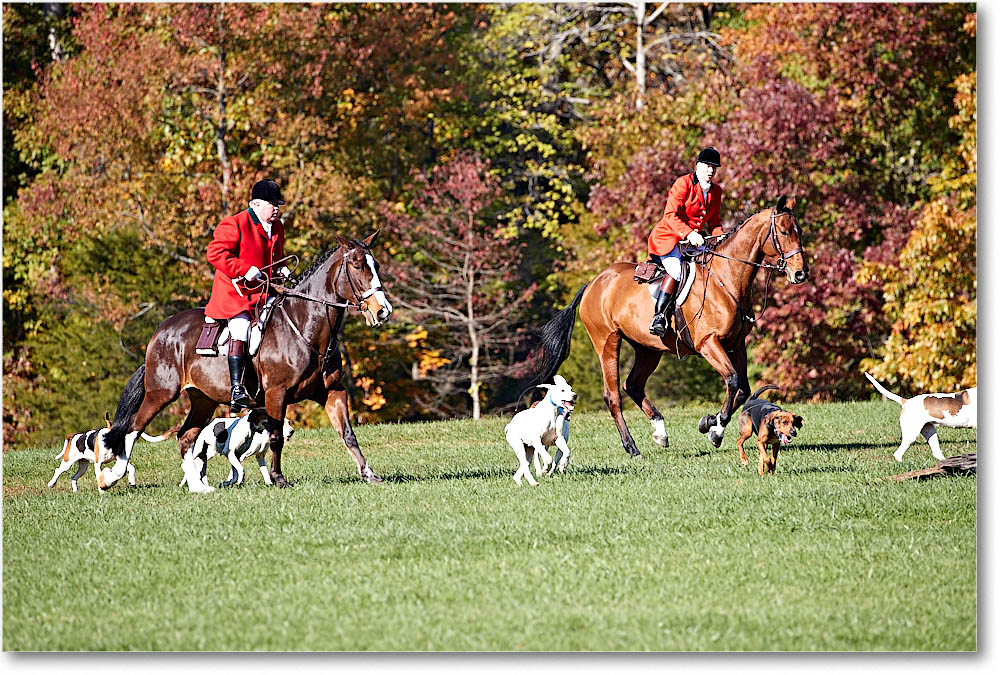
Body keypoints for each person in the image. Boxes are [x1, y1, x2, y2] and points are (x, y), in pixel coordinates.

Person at [201, 179, 291, 411]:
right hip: (235, 292)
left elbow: (275, 257)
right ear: (256, 204)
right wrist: (243, 269)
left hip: (263, 292)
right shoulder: (235, 223)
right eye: (272, 204)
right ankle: (237, 388)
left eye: (278, 204)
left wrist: (280, 268)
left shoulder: (277, 226)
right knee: (240, 327)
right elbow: (214, 254)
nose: (277, 208)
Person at [646, 146, 725, 336]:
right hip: (669, 238)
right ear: (697, 165)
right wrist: (689, 233)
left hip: (693, 243)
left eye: (714, 167)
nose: (710, 171)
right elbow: (670, 215)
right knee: (677, 271)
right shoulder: (683, 184)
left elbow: (714, 223)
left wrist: (721, 236)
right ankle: (659, 316)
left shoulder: (716, 191)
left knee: (708, 271)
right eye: (707, 166)